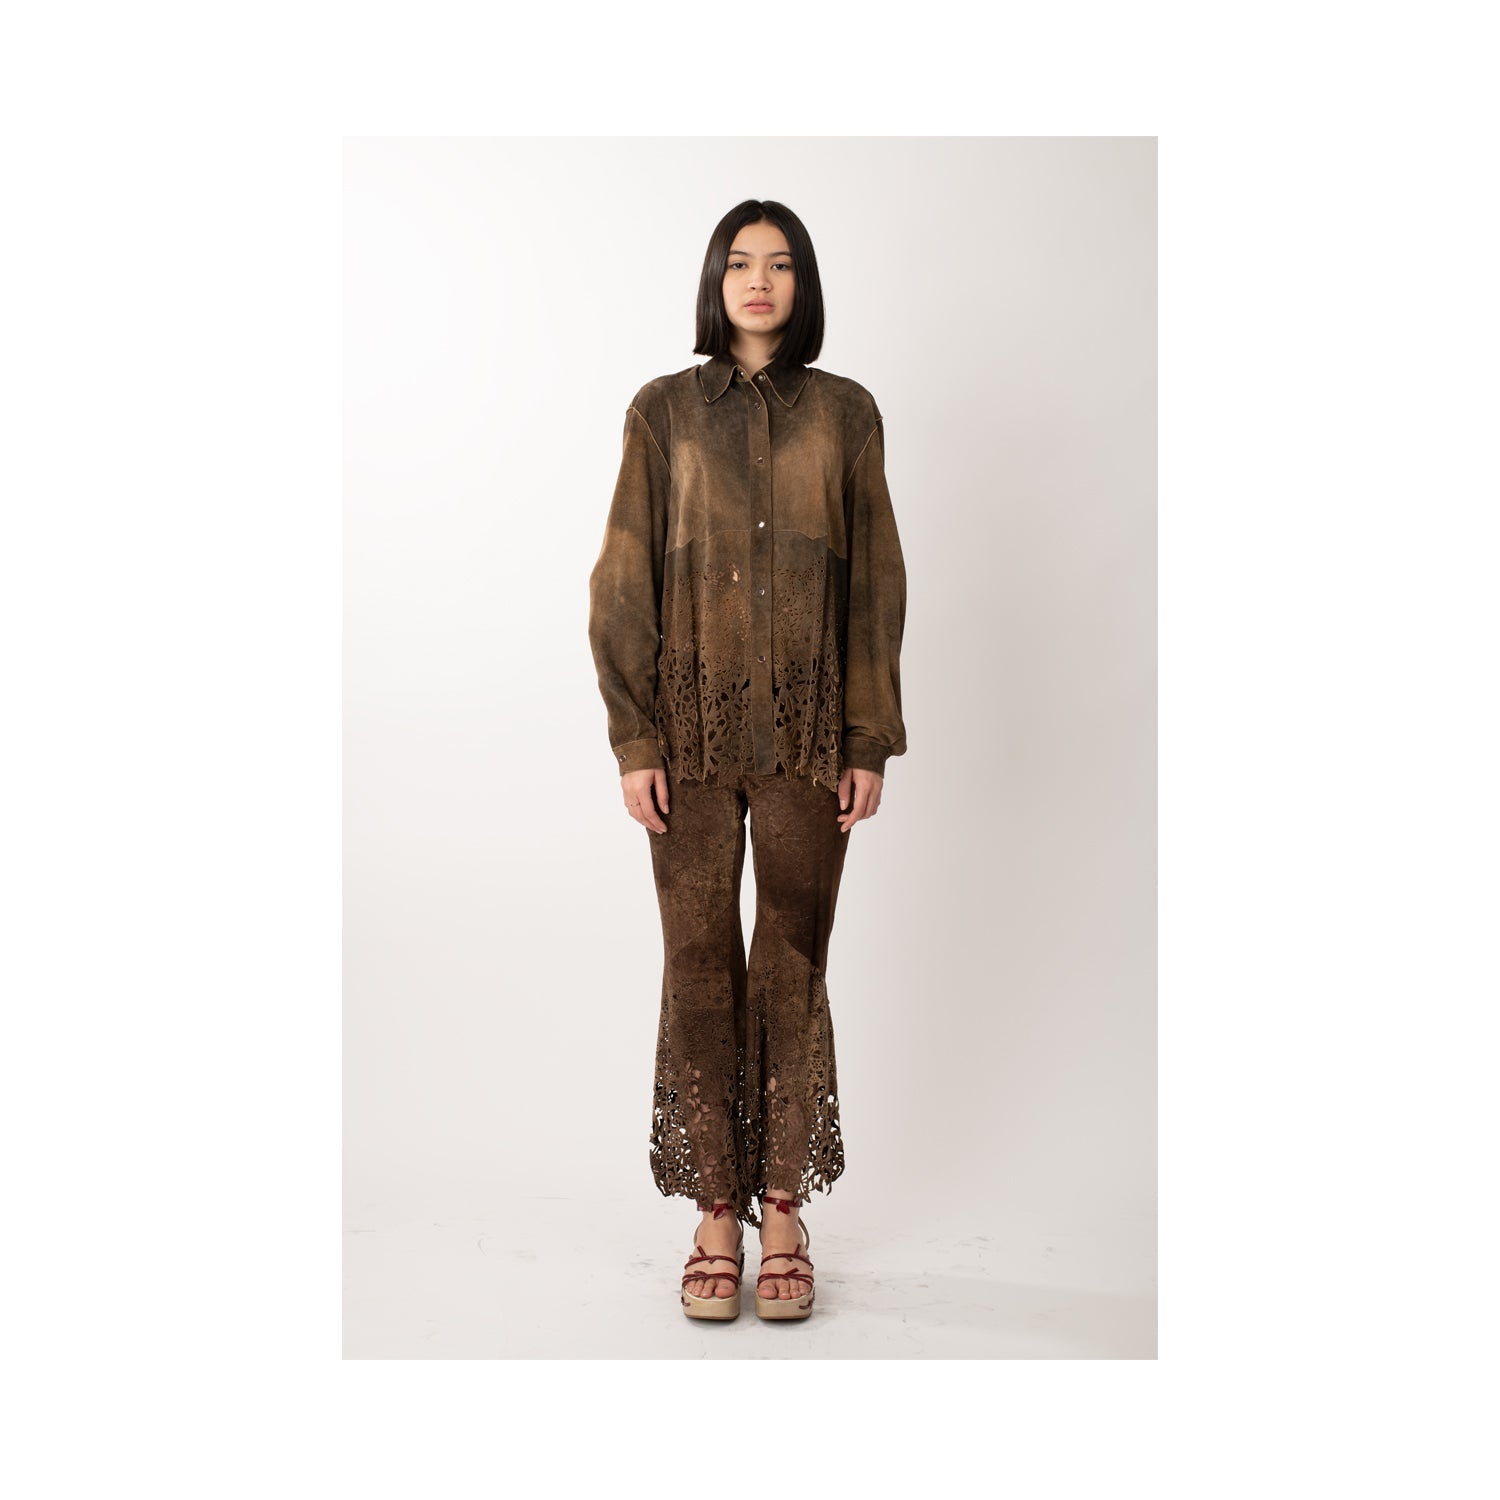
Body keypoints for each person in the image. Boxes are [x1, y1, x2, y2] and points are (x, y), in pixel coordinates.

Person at [587, 200, 909, 1322]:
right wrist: (635, 739)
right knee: (698, 965)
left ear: (802, 284)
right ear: (714, 281)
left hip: (810, 745)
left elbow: (874, 586)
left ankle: (783, 1211)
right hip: (688, 742)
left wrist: (866, 738)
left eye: (778, 264)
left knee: (792, 966)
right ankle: (714, 1212)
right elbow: (623, 581)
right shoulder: (664, 413)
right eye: (738, 262)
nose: (757, 280)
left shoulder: (847, 415)